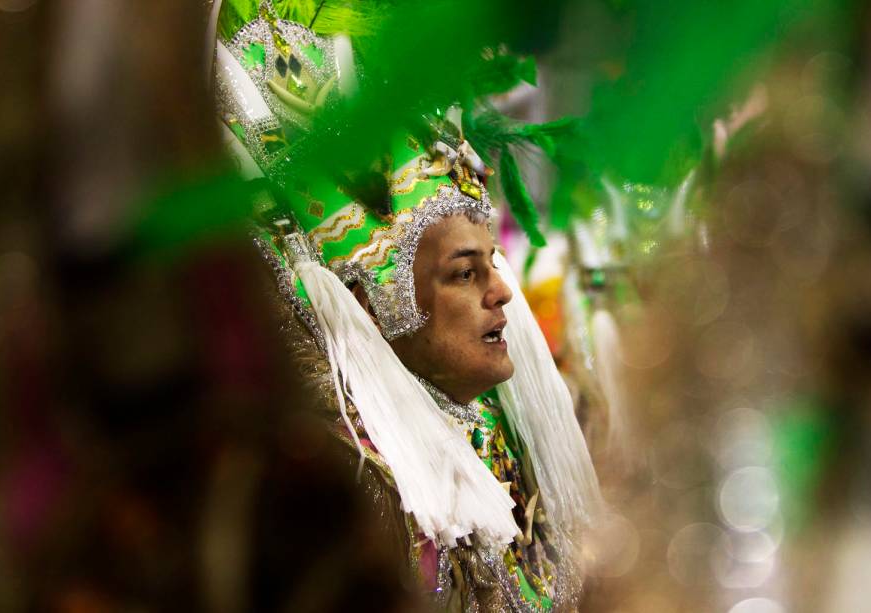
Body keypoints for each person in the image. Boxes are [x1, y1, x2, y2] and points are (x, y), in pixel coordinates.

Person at [211, 2, 603, 609]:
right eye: (464, 274)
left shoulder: (502, 423)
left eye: (492, 266)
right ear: (371, 311)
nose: (501, 293)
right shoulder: (361, 491)